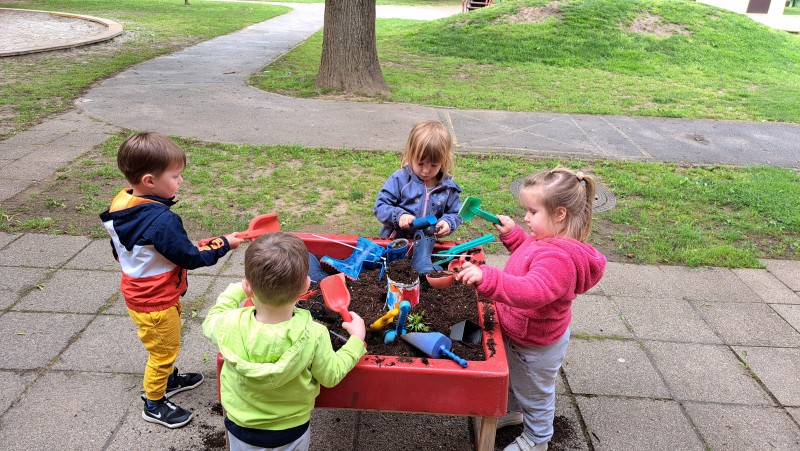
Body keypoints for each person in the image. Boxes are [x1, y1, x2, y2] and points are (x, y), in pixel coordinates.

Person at [100, 132, 245, 429]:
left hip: (142, 292)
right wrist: (222, 244)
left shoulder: (123, 203)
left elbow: (123, 248)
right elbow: (190, 257)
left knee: (165, 340)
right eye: (176, 176)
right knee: (163, 351)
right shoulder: (162, 220)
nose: (181, 181)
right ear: (150, 181)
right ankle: (154, 402)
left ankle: (169, 379)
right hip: (154, 300)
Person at [456, 167, 606, 451]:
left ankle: (538, 438)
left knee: (535, 394)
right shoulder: (546, 240)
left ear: (559, 214)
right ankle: (513, 412)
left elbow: (532, 291)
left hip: (535, 344)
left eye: (533, 212)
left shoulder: (559, 259)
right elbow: (530, 254)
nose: (526, 217)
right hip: (521, 331)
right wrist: (514, 236)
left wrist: (489, 278)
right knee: (515, 378)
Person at [203, 232, 367, 451]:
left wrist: (237, 290)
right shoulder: (314, 334)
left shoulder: (228, 324)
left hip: (241, 428)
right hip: (292, 432)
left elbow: (211, 319)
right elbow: (330, 375)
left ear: (248, 287)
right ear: (306, 286)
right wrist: (356, 341)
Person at [374, 120, 463, 240]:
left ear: (444, 161)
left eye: (434, 165)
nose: (426, 170)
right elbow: (380, 206)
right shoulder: (400, 179)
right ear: (411, 155)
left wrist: (448, 222)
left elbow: (455, 213)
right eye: (420, 163)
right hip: (396, 242)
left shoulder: (447, 187)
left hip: (427, 244)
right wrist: (399, 216)